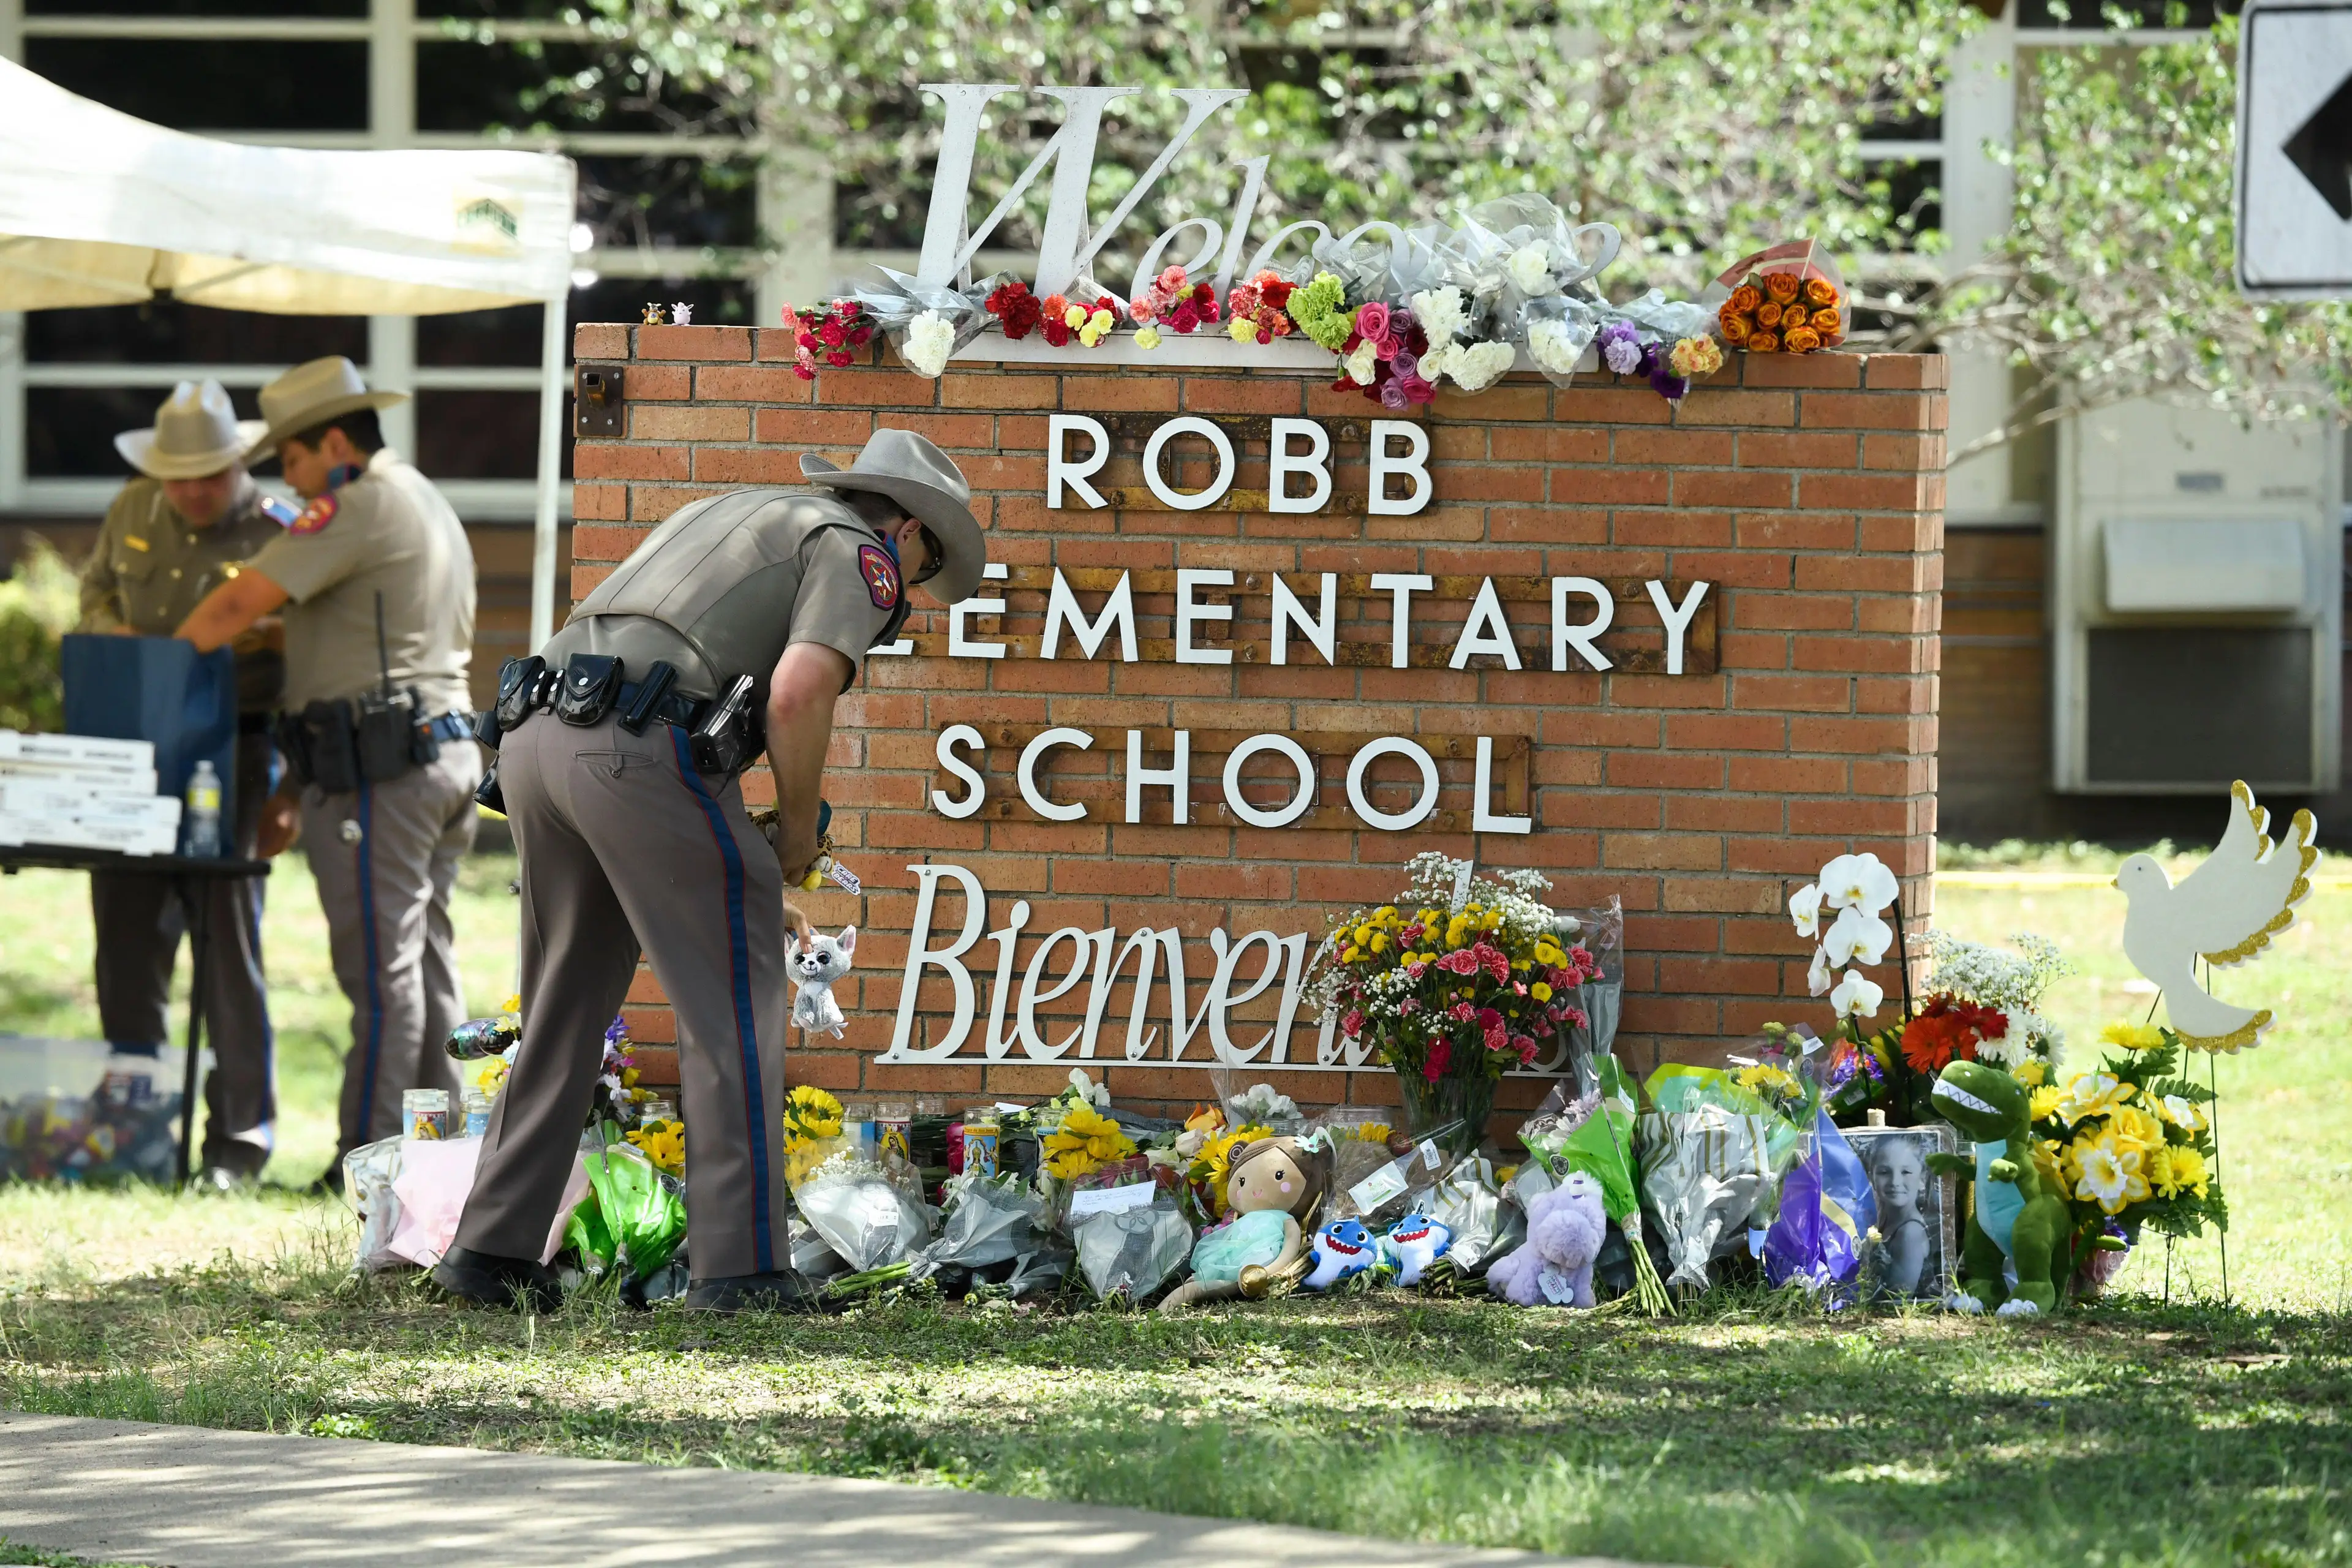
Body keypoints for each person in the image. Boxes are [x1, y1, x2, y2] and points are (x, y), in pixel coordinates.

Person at [433, 428, 987, 1314]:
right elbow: (799, 690)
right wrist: (798, 836)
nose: (909, 588)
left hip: (536, 739)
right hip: (641, 752)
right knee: (735, 1005)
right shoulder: (858, 552)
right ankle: (741, 1271)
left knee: (562, 1006)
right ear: (911, 532)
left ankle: (489, 1251)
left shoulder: (730, 512)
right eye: (922, 573)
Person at [174, 356, 480, 1188]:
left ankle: (368, 1157)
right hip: (444, 753)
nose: (291, 481)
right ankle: (435, 1145)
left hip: (380, 766)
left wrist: (160, 663)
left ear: (336, 442)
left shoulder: (355, 504)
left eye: (294, 460)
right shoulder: (423, 495)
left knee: (379, 976)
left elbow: (236, 606)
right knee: (425, 964)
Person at [78, 380, 295, 1187]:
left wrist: (290, 791)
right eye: (179, 476)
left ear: (238, 465)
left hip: (234, 749)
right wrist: (122, 636)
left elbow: (302, 653)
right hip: (132, 748)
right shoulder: (133, 508)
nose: (192, 491)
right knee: (125, 942)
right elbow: (95, 588)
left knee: (226, 945)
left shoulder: (282, 528)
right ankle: (133, 1133)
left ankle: (237, 1146)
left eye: (208, 474)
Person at [1866, 1135, 1931, 1296]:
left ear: (1922, 1178)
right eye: (1884, 1172)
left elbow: (1898, 1298)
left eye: (1906, 1172)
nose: (1895, 1181)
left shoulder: (1910, 1233)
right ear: (1871, 1177)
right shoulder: (1887, 1220)